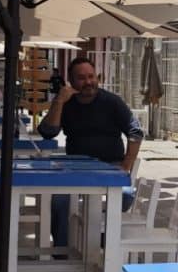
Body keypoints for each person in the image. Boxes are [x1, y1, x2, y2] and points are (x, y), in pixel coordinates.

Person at [39, 56, 143, 244]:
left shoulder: (112, 102)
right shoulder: (66, 103)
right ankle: (63, 257)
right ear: (71, 81)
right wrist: (59, 101)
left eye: (91, 76)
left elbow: (135, 131)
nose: (88, 82)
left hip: (110, 167)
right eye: (81, 78)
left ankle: (99, 243)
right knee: (59, 203)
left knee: (125, 197)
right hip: (74, 170)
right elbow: (48, 132)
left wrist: (126, 165)